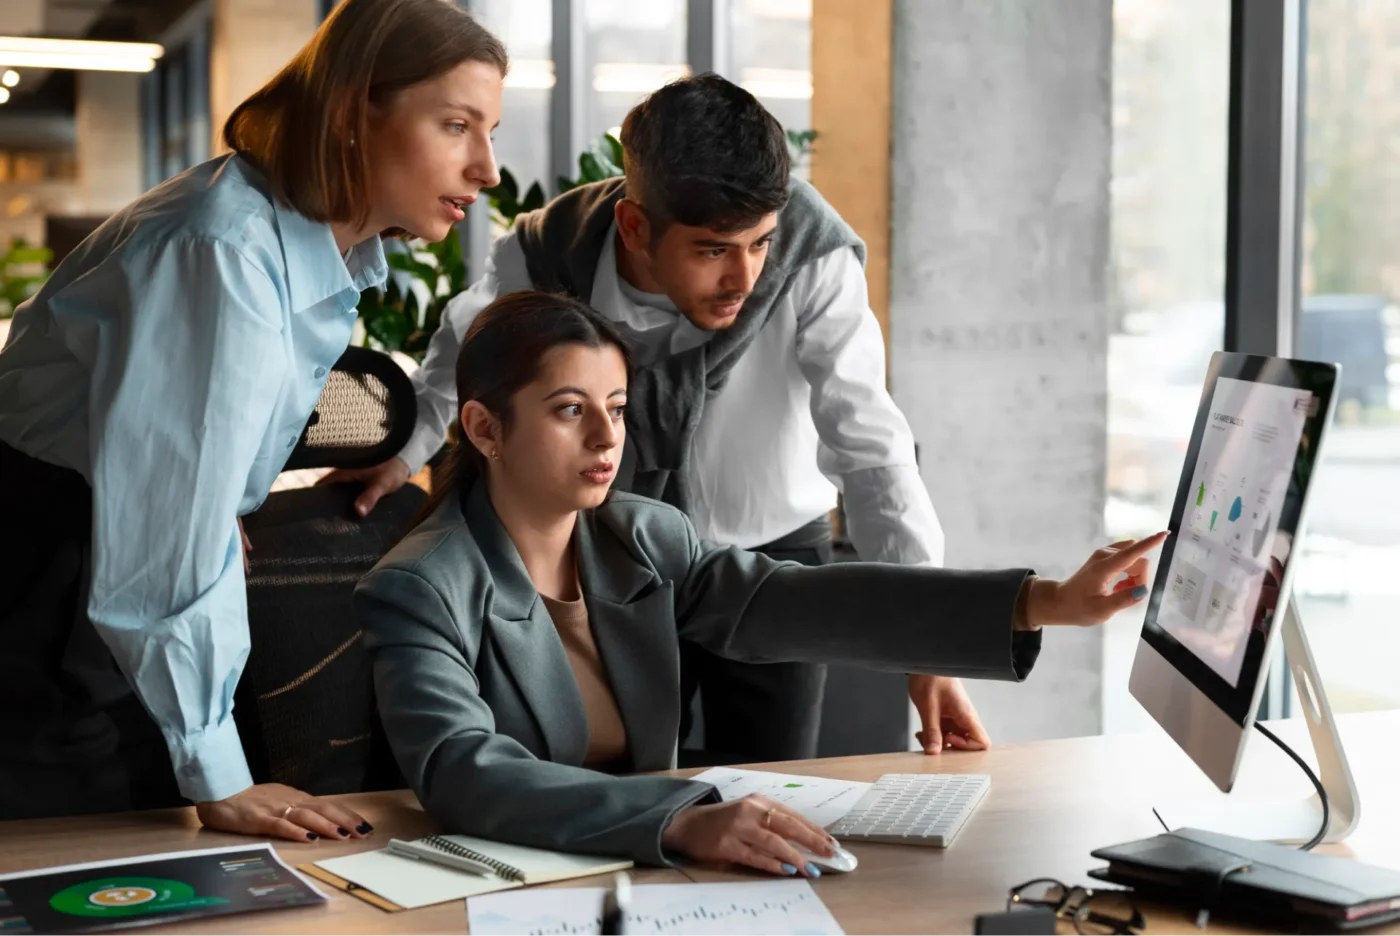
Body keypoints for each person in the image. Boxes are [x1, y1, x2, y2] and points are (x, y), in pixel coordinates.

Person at [357, 291, 1167, 875]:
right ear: (484, 428)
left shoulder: (641, 536)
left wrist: (1045, 602)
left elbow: (800, 603)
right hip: (513, 891)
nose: (609, 436)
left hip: (652, 883)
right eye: (571, 410)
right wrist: (681, 821)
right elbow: (464, 770)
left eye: (616, 405)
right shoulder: (421, 587)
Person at [331, 73, 979, 765]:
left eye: (760, 243)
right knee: (620, 773)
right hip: (611, 559)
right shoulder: (548, 252)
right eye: (711, 250)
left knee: (776, 784)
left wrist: (927, 646)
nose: (746, 278)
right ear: (636, 227)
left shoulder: (811, 256)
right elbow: (467, 354)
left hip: (771, 556)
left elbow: (870, 445)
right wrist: (406, 455)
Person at [0, 0, 505, 836]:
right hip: (42, 587)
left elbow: (185, 476)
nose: (487, 166)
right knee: (87, 860)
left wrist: (218, 504)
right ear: (352, 115)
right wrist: (217, 771)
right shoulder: (222, 252)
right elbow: (164, 525)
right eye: (457, 125)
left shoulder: (307, 244)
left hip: (99, 560)